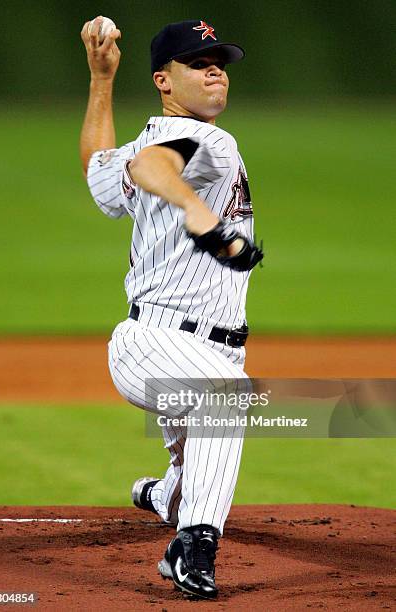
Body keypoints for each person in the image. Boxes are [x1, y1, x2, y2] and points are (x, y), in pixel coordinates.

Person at [80, 17, 263, 600]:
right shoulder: (209, 141)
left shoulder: (148, 138)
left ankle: (166, 497)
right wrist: (197, 210)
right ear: (164, 80)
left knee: (196, 467)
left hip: (200, 346)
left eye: (220, 63)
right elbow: (148, 169)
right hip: (157, 341)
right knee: (224, 402)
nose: (216, 72)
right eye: (198, 63)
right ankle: (193, 550)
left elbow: (100, 167)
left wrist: (100, 79)